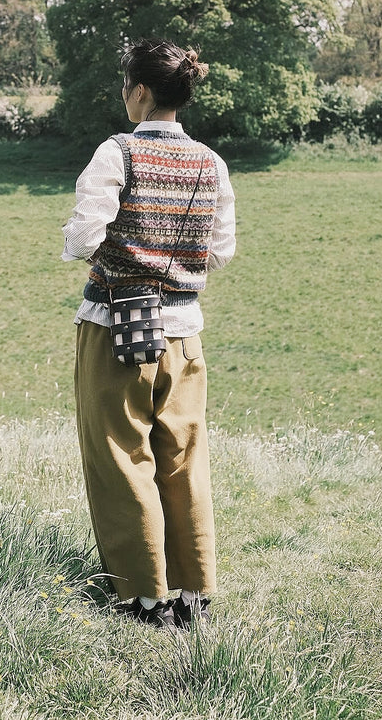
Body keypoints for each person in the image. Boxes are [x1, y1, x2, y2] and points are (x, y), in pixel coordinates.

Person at [62, 38, 236, 631]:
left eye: (124, 87)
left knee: (120, 456)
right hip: (185, 334)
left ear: (139, 92)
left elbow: (85, 236)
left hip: (117, 327)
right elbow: (220, 250)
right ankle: (195, 591)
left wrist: (116, 246)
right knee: (184, 458)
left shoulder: (118, 153)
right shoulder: (211, 162)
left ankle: (142, 597)